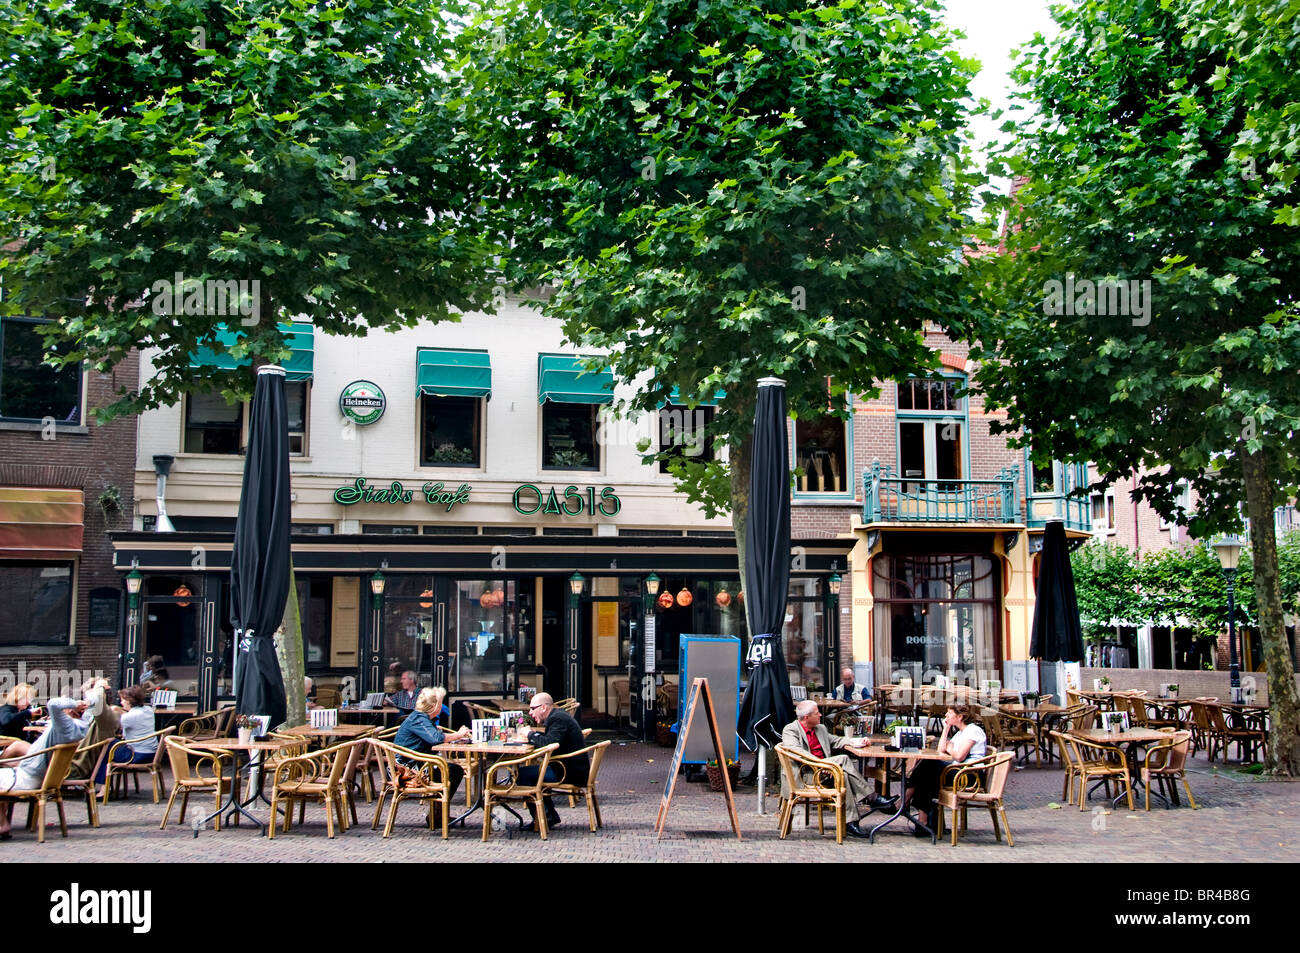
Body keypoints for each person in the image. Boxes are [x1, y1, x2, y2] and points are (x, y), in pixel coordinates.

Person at [780, 699, 883, 838]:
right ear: (806, 717)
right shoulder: (790, 729)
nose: (821, 716)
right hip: (804, 775)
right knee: (843, 759)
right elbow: (796, 752)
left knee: (844, 775)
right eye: (817, 713)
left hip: (826, 772)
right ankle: (871, 797)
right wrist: (823, 765)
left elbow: (836, 740)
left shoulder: (820, 728)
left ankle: (850, 823)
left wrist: (857, 741)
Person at [0, 696, 88, 839]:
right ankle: (2, 822)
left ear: (70, 710)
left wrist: (76, 703)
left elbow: (53, 704)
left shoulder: (64, 726)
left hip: (28, 777)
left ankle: (2, 825)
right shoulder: (79, 727)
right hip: (37, 774)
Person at [904, 704, 987, 836]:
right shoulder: (960, 733)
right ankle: (921, 821)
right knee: (927, 773)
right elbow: (940, 750)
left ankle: (904, 802)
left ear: (960, 717)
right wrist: (946, 728)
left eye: (949, 713)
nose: (946, 716)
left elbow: (959, 756)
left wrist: (951, 749)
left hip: (969, 776)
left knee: (928, 766)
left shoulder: (973, 730)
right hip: (959, 772)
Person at [515, 692, 587, 831]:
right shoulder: (557, 716)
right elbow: (551, 739)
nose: (530, 713)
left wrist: (530, 734)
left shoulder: (557, 719)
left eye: (532, 708)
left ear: (543, 707)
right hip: (568, 767)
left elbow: (549, 744)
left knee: (522, 775)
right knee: (530, 773)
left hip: (568, 771)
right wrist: (534, 736)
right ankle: (548, 815)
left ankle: (543, 818)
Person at [393, 687, 469, 799]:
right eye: (441, 703)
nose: (442, 706)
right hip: (408, 771)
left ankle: (438, 814)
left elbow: (434, 737)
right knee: (454, 771)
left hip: (413, 765)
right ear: (434, 706)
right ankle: (438, 814)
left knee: (451, 770)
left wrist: (454, 738)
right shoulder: (419, 719)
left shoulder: (421, 717)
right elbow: (436, 738)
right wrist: (458, 734)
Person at [96, 685, 157, 786]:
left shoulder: (128, 718)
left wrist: (111, 711)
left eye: (122, 700)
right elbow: (131, 716)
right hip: (151, 753)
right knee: (110, 747)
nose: (121, 702)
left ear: (129, 701)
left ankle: (104, 787)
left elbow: (112, 726)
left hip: (136, 755)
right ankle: (104, 786)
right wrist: (120, 710)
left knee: (107, 745)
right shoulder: (148, 710)